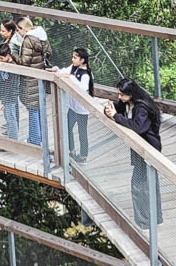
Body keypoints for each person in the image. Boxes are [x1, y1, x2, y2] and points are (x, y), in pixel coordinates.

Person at [104, 77, 162, 228]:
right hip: (139, 149)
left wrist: (115, 116)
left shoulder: (141, 107)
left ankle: (144, 222)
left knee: (139, 186)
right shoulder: (129, 103)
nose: (119, 97)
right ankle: (154, 218)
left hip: (147, 149)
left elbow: (138, 127)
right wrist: (110, 110)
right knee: (148, 184)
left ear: (131, 94)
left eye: (122, 94)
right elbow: (118, 109)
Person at [13, 15, 51, 146]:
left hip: (29, 79)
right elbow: (48, 52)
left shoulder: (28, 40)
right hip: (39, 76)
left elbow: (24, 62)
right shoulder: (41, 36)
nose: (18, 32)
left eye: (18, 30)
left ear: (23, 28)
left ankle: (34, 140)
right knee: (38, 108)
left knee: (32, 109)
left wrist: (13, 55)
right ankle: (39, 138)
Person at [56, 48, 92, 162]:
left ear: (82, 60)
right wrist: (56, 70)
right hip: (72, 106)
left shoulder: (86, 74)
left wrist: (70, 77)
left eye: (75, 58)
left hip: (82, 108)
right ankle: (71, 150)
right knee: (67, 127)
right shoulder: (74, 67)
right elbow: (64, 71)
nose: (72, 60)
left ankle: (83, 156)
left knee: (82, 132)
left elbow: (82, 87)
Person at [0, 43, 20, 140]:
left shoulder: (12, 67)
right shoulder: (5, 64)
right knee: (9, 117)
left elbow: (12, 86)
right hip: (5, 96)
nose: (0, 60)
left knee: (11, 119)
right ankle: (11, 138)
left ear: (8, 56)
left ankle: (13, 140)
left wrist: (5, 101)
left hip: (10, 97)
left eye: (1, 58)